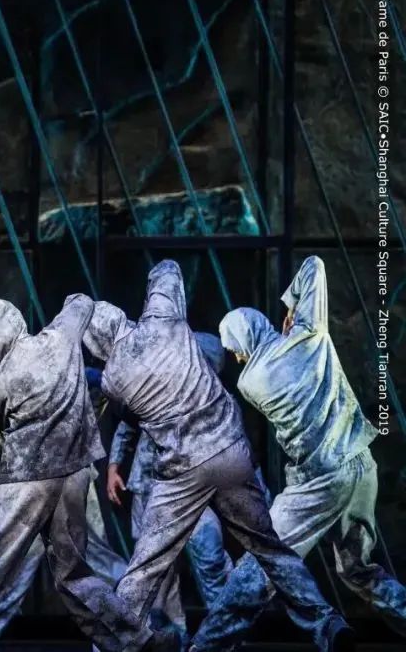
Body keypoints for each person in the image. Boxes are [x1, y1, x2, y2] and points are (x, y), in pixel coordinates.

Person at [86, 260, 353, 652]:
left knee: (145, 568)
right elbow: (168, 269)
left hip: (183, 471)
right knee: (271, 551)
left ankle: (112, 644)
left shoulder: (114, 378)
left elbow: (125, 409)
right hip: (228, 452)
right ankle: (325, 623)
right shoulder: (166, 321)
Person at [0, 295, 174, 652]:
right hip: (74, 475)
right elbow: (80, 301)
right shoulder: (61, 337)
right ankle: (138, 641)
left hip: (26, 478)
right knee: (75, 576)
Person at [191, 256, 406, 650]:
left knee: (260, 565)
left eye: (235, 348)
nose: (237, 358)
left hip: (322, 480)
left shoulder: (252, 381)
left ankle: (204, 647)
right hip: (362, 465)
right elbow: (315, 265)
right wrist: (293, 308)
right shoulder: (311, 335)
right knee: (358, 570)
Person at [103, 332, 238, 637]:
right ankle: (171, 636)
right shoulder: (156, 387)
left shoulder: (218, 402)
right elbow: (128, 423)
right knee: (156, 571)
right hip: (150, 486)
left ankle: (224, 635)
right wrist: (114, 467)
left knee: (211, 561)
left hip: (193, 493)